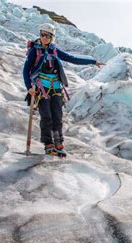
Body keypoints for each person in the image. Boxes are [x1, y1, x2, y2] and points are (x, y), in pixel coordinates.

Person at [23, 23, 105, 157]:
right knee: (47, 117)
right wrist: (29, 88)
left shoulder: (54, 50)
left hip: (56, 89)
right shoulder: (35, 50)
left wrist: (92, 62)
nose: (44, 37)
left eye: (47, 35)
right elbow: (26, 70)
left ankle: (59, 144)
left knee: (57, 117)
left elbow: (72, 59)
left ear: (51, 37)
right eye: (42, 34)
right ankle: (48, 145)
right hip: (41, 89)